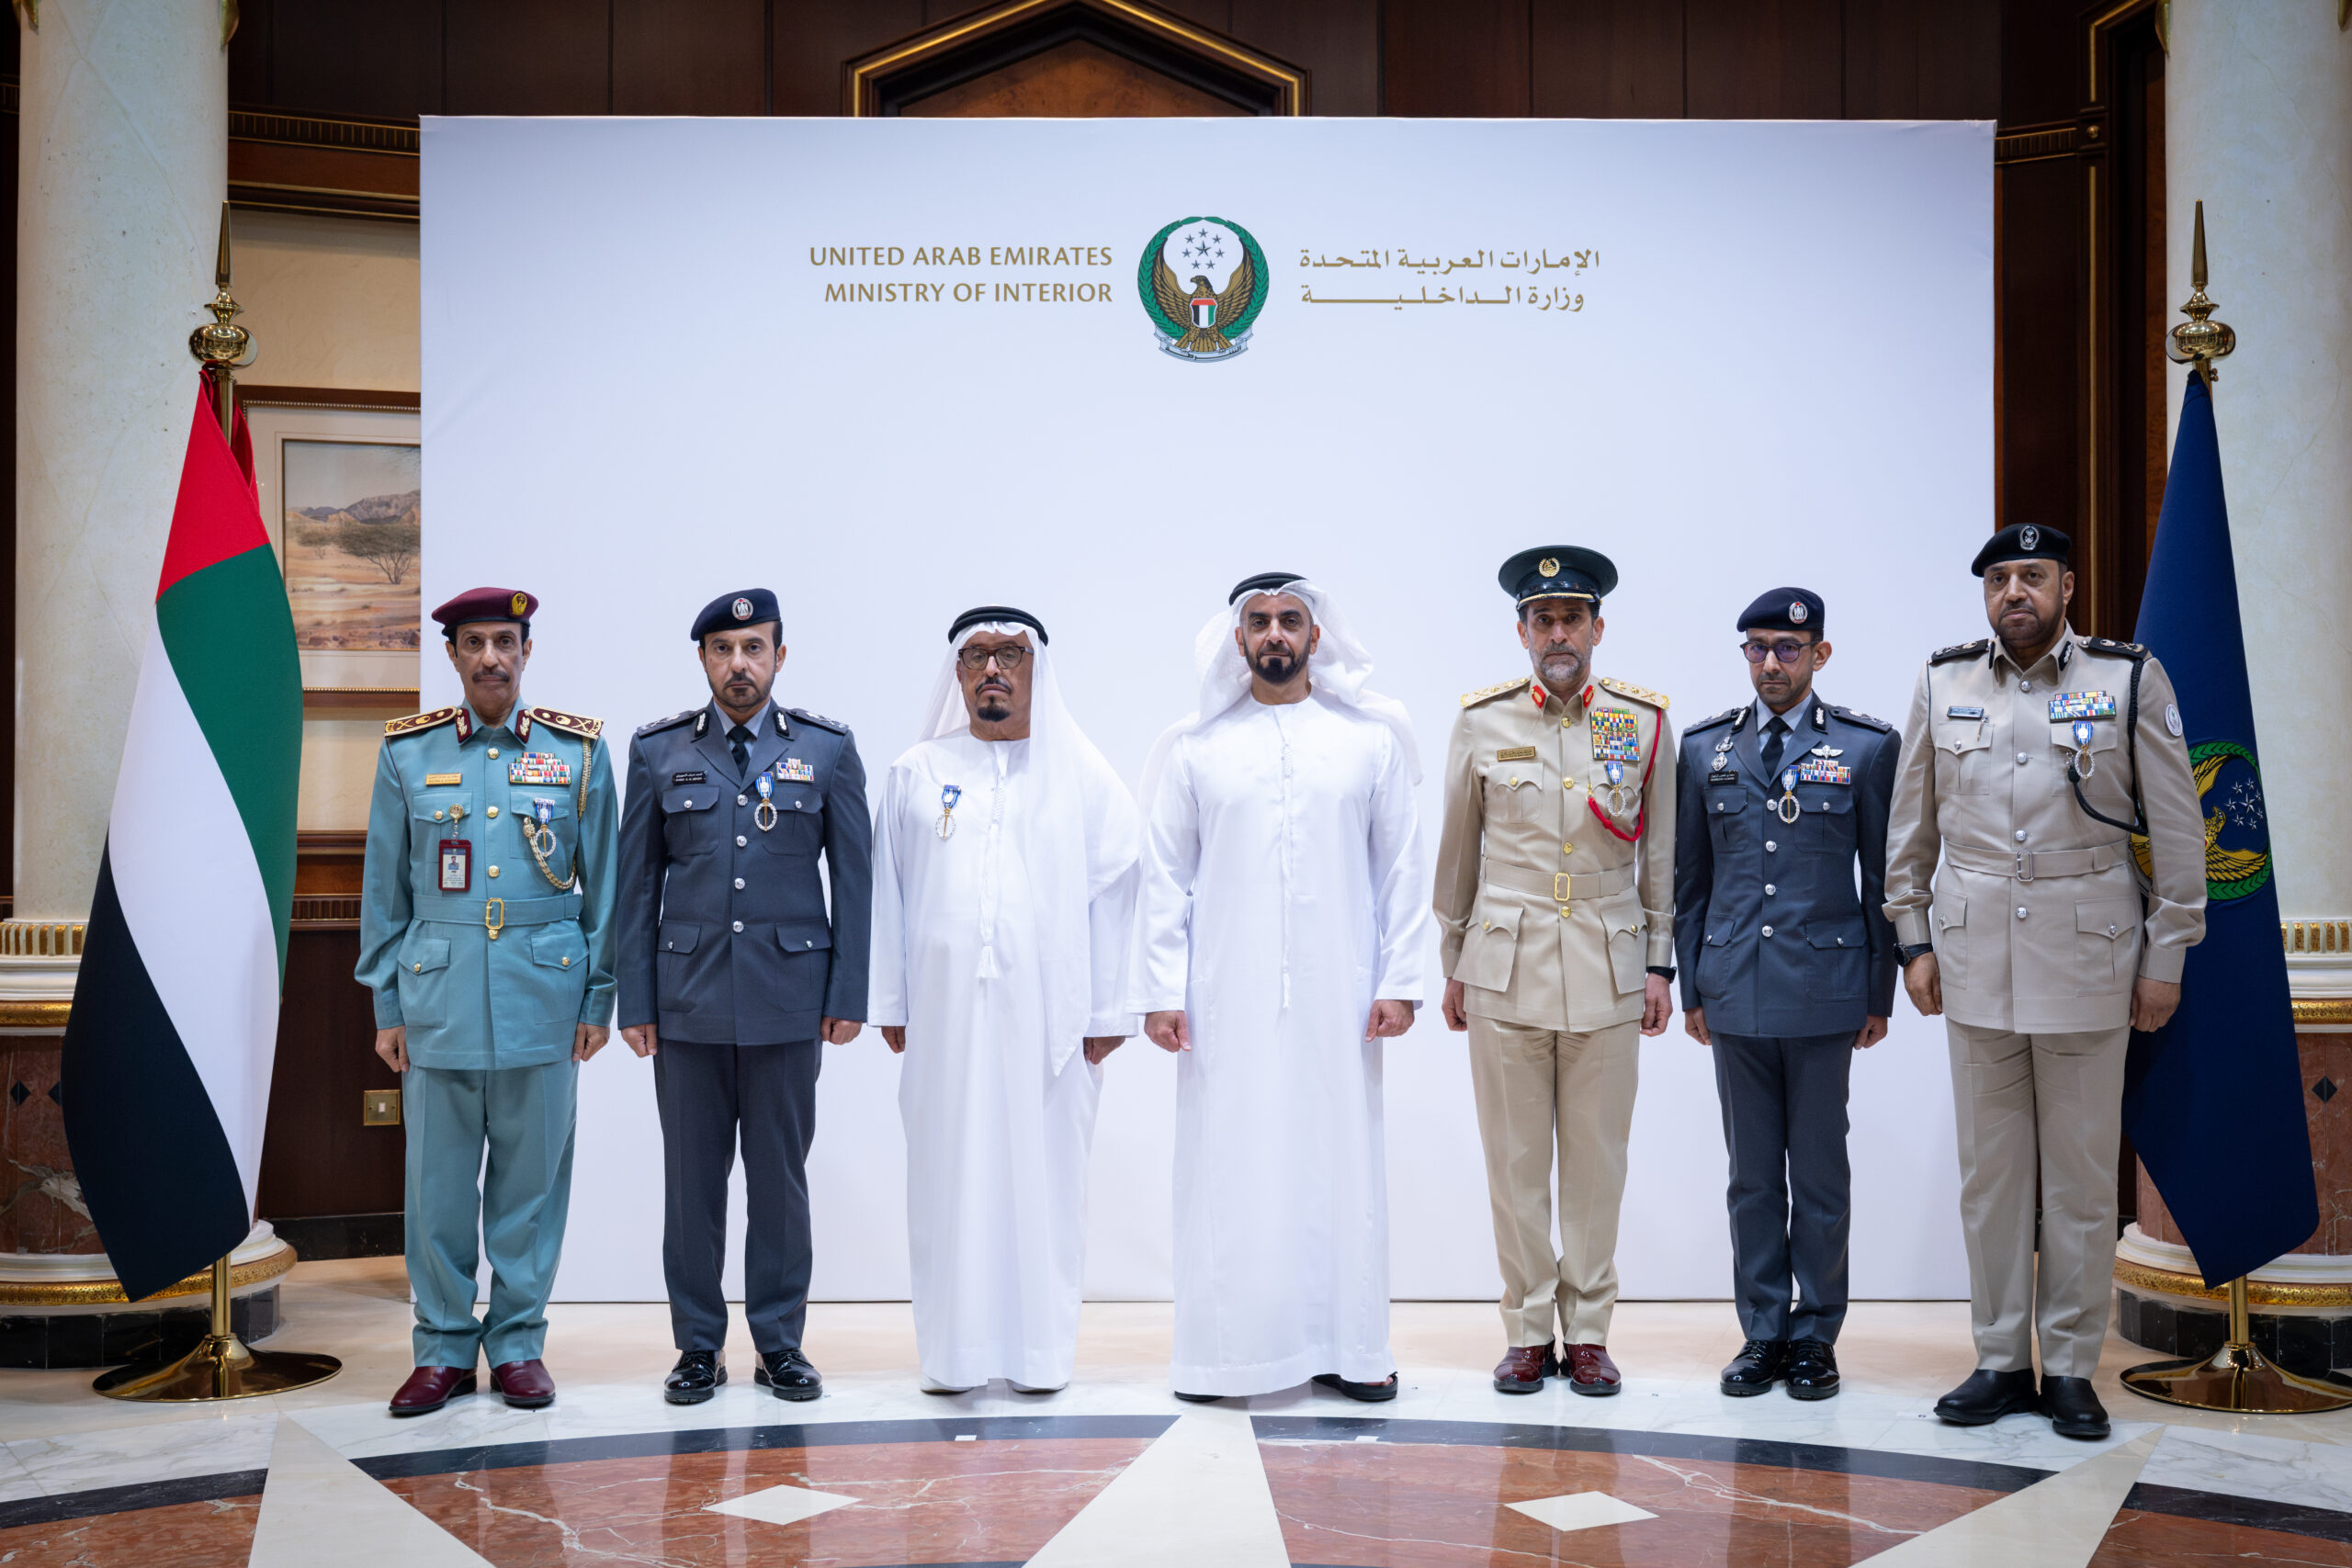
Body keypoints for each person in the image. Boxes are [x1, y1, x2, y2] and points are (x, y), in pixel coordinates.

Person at [1884, 524, 2205, 1440]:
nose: (2013, 592)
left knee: (2077, 1182)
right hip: (1973, 961)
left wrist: (2167, 957)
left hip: (2088, 958)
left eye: (2031, 576)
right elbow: (1910, 830)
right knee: (1990, 1180)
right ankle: (1998, 1359)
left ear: (2068, 586)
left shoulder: (2128, 679)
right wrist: (1913, 940)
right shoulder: (1944, 682)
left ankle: (2066, 1366)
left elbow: (2179, 833)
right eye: (1998, 579)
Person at [1132, 571, 1427, 1403]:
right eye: (1259, 621)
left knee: (1342, 1167)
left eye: (1289, 620)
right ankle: (1225, 1356)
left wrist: (1401, 979)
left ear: (1315, 635)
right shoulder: (1195, 749)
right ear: (1238, 639)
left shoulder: (1369, 742)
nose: (1274, 634)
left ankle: (1350, 1347)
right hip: (1225, 1001)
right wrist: (1161, 990)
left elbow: (1402, 868)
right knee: (1231, 1169)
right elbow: (1164, 877)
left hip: (1342, 998)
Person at [357, 587, 617, 1416]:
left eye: (504, 641)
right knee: (436, 1188)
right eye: (473, 643)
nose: (490, 658)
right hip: (437, 998)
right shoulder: (408, 751)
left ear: (527, 650)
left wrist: (599, 996)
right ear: (453, 654)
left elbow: (606, 888)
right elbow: (384, 889)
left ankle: (516, 1343)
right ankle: (440, 1347)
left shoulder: (578, 753)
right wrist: (386, 1004)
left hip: (545, 997)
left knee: (530, 1187)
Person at [869, 606, 1140, 1395]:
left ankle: (1038, 1357)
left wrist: (1108, 1011)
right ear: (957, 674)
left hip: (1051, 1019)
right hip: (944, 1016)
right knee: (945, 1178)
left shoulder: (1081, 774)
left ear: (1036, 669)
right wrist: (892, 998)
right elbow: (889, 890)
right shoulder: (917, 771)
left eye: (1010, 654)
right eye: (978, 655)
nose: (993, 668)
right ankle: (952, 1357)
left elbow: (1118, 891)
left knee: (1043, 1182)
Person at [615, 588, 871, 1405]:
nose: (739, 663)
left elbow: (855, 881)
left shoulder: (827, 750)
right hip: (687, 1002)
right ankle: (698, 1346)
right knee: (691, 1186)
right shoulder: (658, 751)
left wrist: (849, 991)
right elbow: (636, 886)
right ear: (703, 658)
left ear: (779, 657)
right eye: (723, 649)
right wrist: (635, 1000)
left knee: (780, 1182)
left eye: (754, 647)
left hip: (789, 999)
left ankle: (779, 1343)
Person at [1432, 547, 1675, 1397]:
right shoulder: (1482, 721)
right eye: (1544, 619)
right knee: (1515, 1161)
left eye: (1573, 617)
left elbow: (1660, 857)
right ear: (1523, 633)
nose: (1559, 632)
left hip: (1609, 964)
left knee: (1598, 1164)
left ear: (1598, 628)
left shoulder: (1643, 721)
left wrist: (1659, 964)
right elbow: (1458, 853)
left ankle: (1592, 1331)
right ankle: (1530, 1329)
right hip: (1504, 966)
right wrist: (1454, 961)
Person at [1673, 587, 1899, 1403]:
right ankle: (1763, 1330)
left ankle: (1815, 1335)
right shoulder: (1705, 748)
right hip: (1734, 987)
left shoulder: (1865, 748)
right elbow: (1690, 880)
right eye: (1758, 648)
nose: (1771, 662)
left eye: (1788, 648)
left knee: (1822, 1174)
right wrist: (1693, 982)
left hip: (1826, 990)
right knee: (1752, 1177)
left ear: (1819, 655)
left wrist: (1879, 991)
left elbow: (1881, 879)